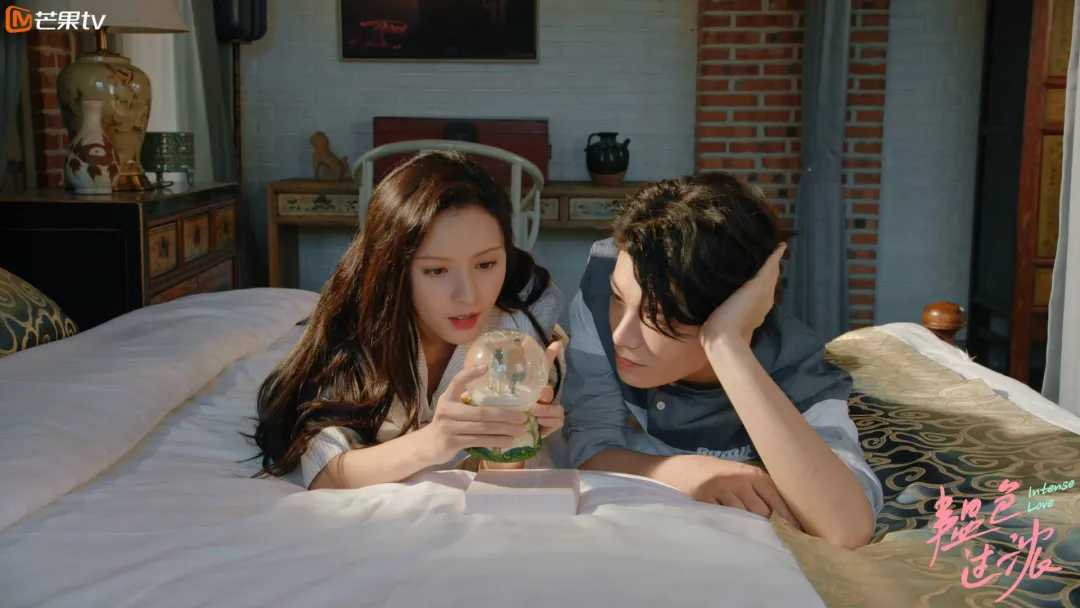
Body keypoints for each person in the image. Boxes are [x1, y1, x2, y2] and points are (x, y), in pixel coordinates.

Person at [561, 172, 882, 550]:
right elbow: (590, 447)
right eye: (620, 298)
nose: (621, 336)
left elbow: (846, 528)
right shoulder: (601, 294)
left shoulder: (794, 370)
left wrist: (726, 343)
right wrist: (687, 471)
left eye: (658, 317)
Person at [251, 150, 565, 490]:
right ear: (395, 271)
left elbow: (495, 474)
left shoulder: (519, 330)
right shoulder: (360, 330)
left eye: (486, 264)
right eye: (437, 270)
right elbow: (325, 473)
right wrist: (434, 442)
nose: (469, 295)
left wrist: (513, 439)